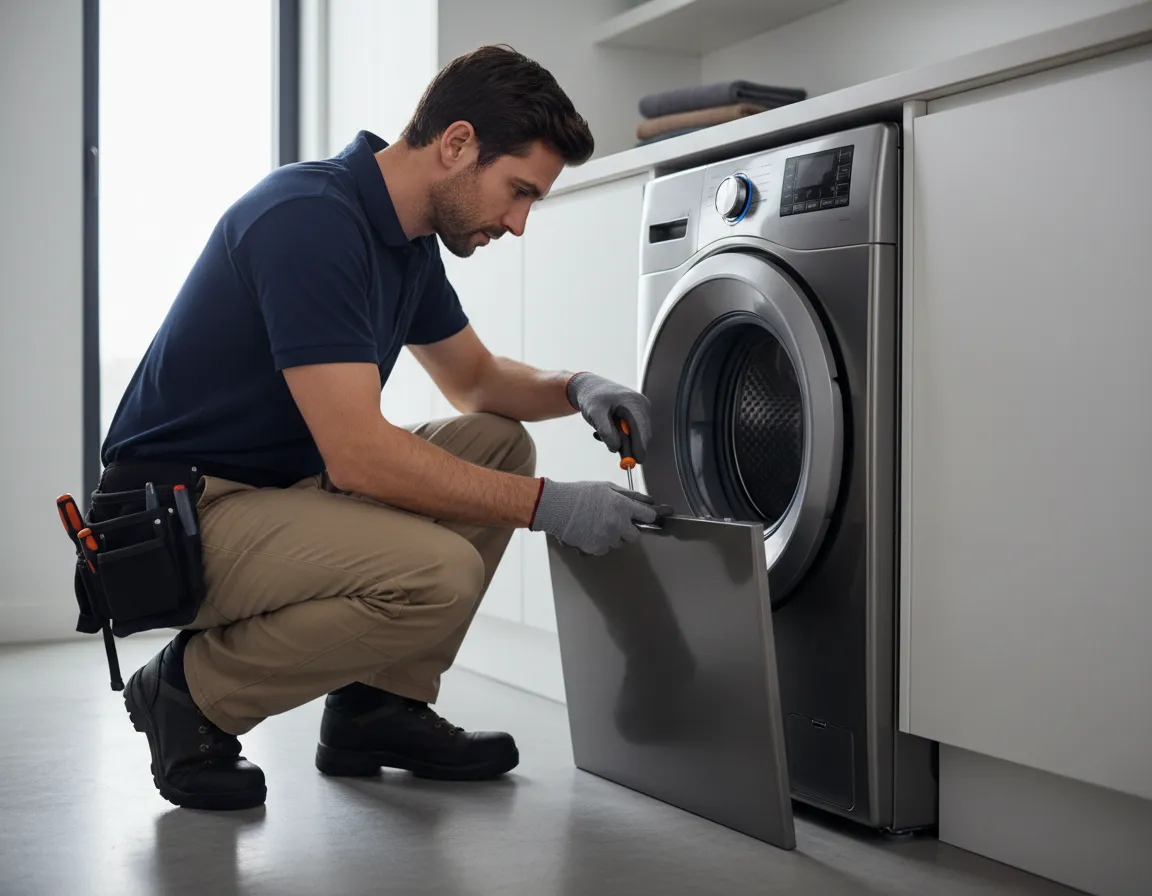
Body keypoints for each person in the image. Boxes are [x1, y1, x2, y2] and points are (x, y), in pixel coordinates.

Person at [98, 45, 670, 812]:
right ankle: (189, 694)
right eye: (518, 192)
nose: (519, 223)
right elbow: (359, 454)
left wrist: (580, 388)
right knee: (439, 572)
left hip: (271, 491)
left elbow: (475, 382)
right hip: (176, 520)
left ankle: (377, 709)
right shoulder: (308, 220)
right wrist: (550, 507)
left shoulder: (405, 243)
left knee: (500, 441)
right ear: (458, 144)